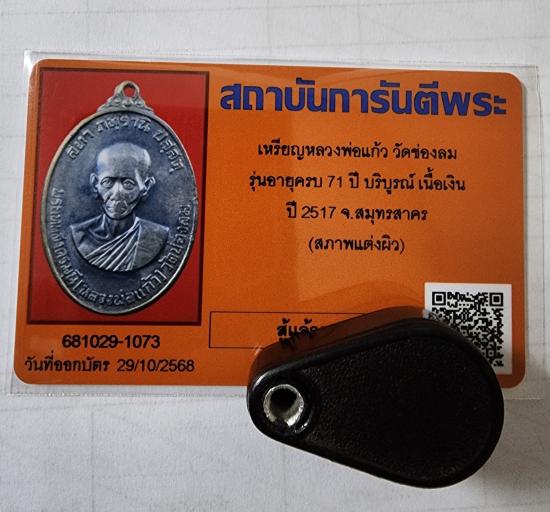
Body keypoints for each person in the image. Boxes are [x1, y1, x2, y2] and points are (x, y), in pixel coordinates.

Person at [70, 142, 169, 272]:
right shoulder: (79, 236)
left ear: (146, 187)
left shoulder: (157, 237)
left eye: (128, 184)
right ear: (95, 184)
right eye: (108, 182)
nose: (117, 194)